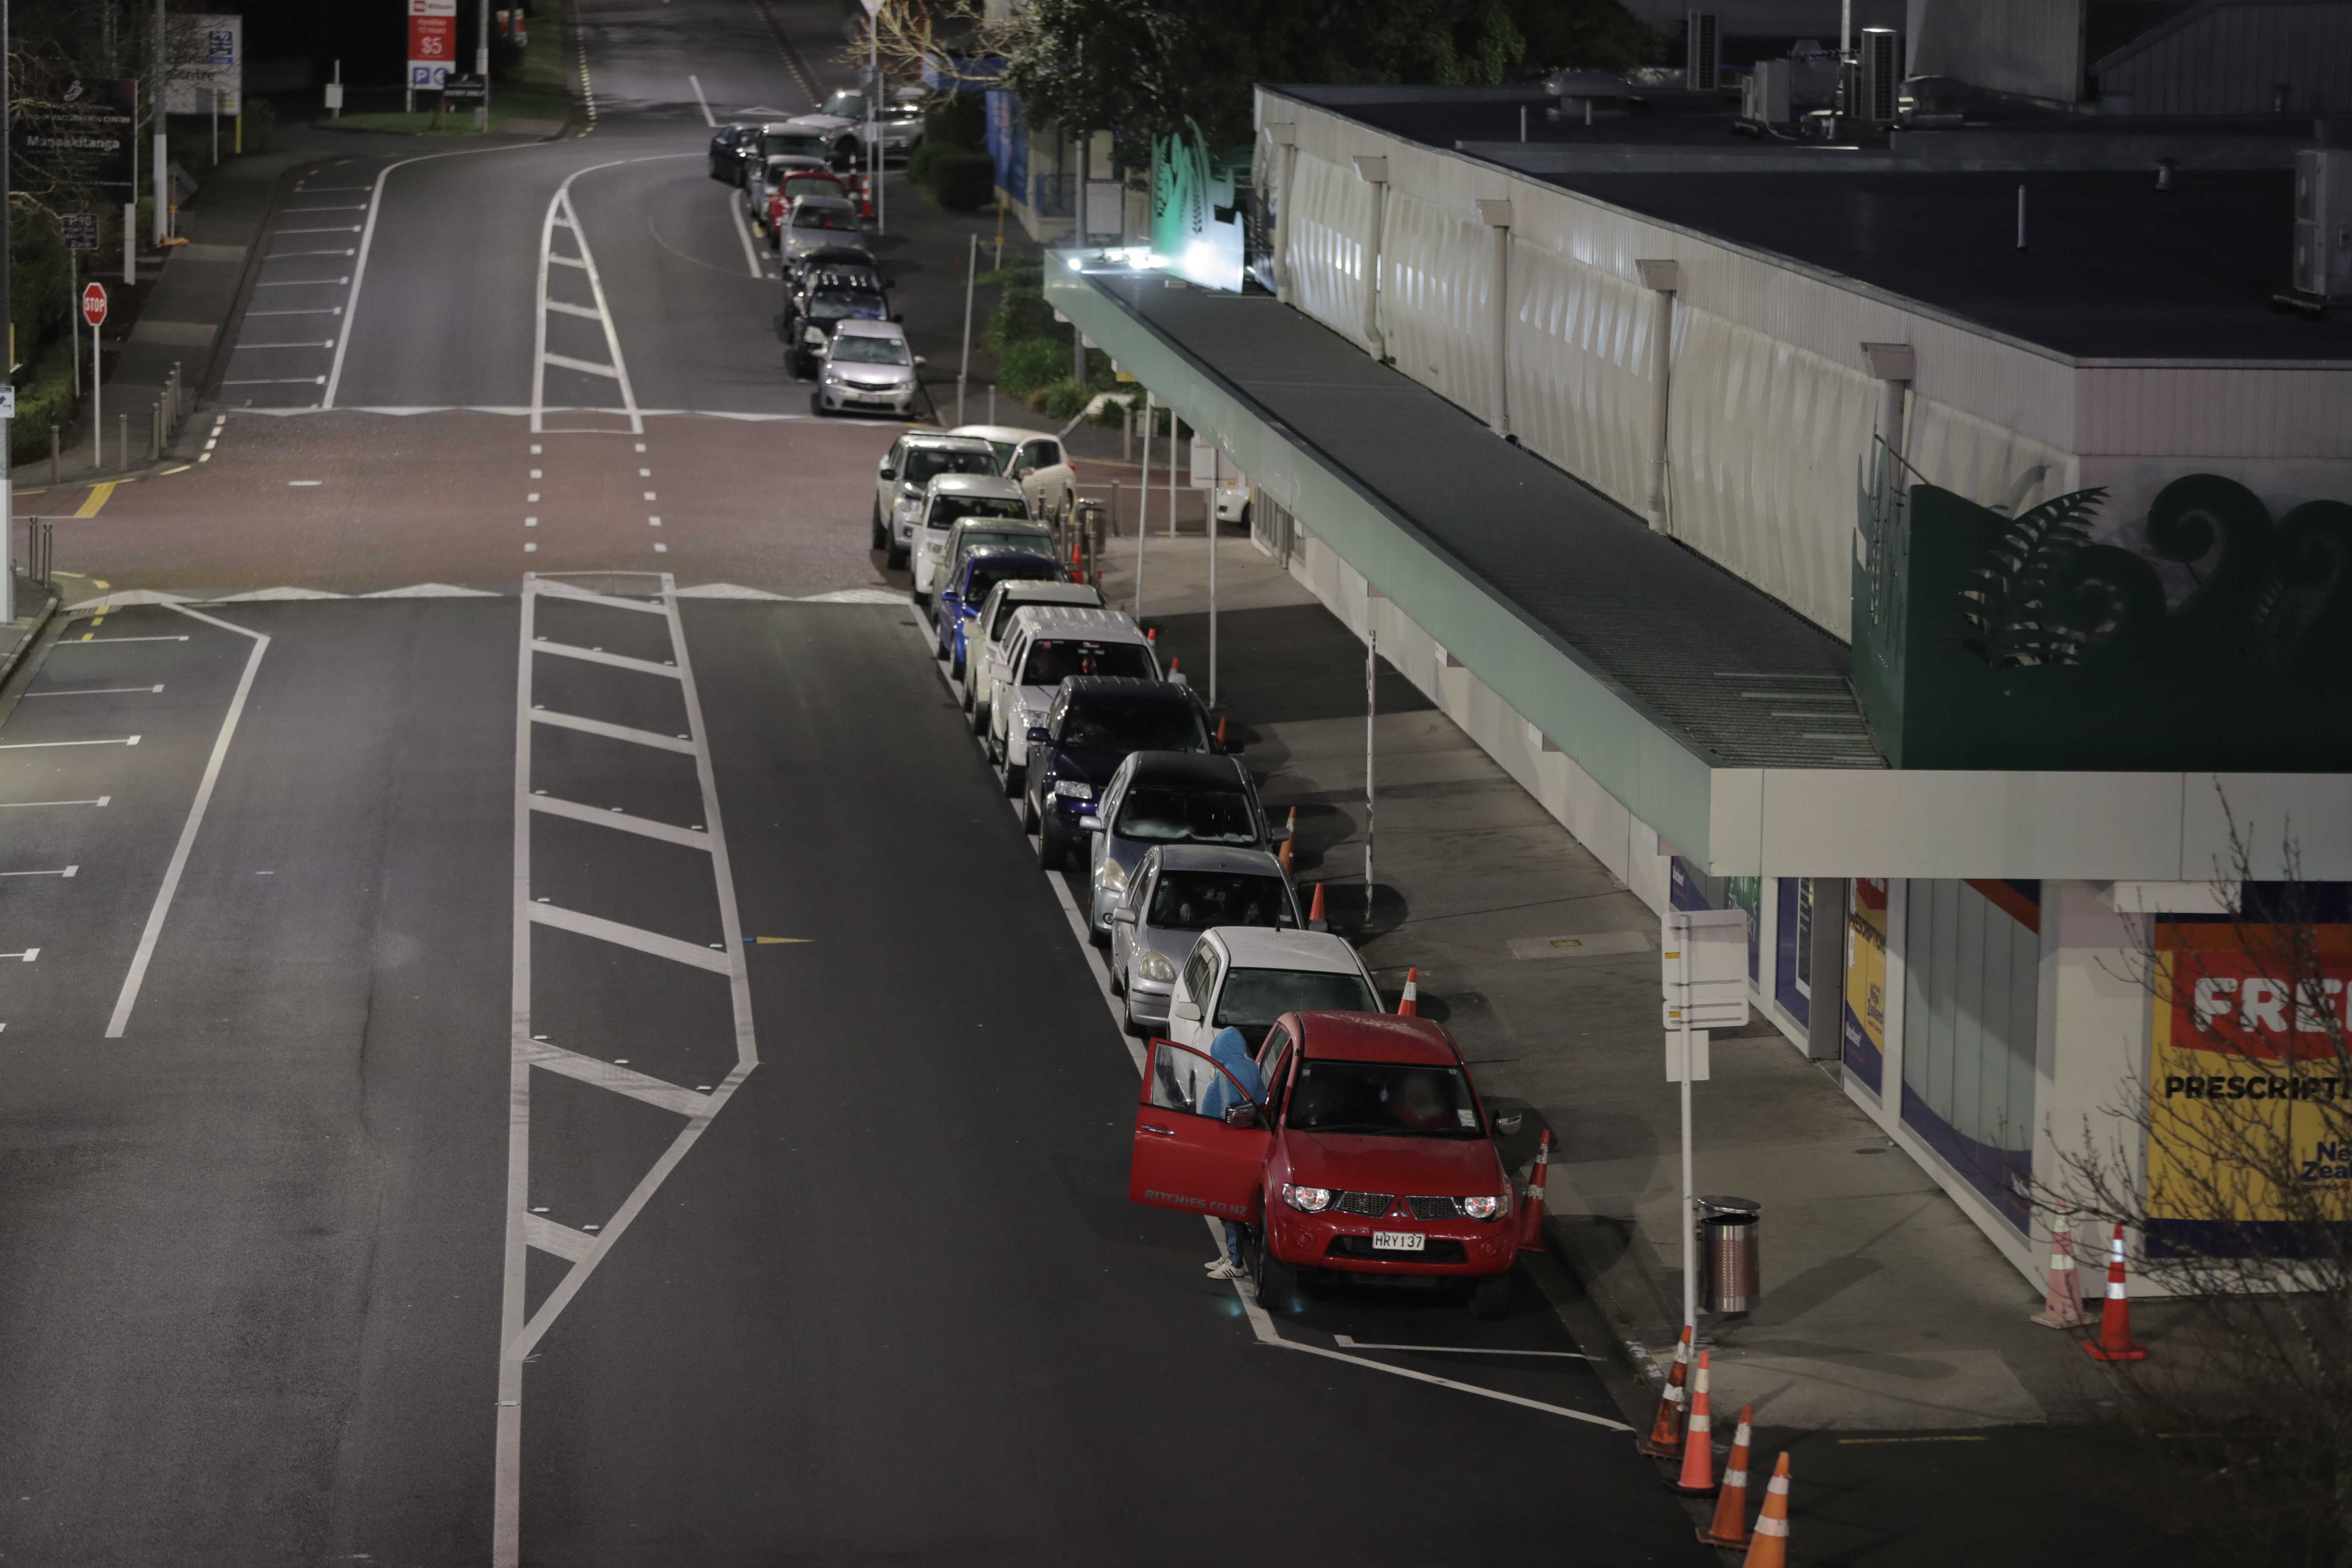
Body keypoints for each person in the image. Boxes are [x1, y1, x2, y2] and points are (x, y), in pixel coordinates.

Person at [1196, 1026, 1266, 1281]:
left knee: (1226, 1202)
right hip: (1243, 1140)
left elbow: (1228, 1109)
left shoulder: (1228, 1073)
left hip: (1224, 1143)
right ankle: (1231, 1253)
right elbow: (1260, 1097)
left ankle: (1235, 1261)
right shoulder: (1250, 1067)